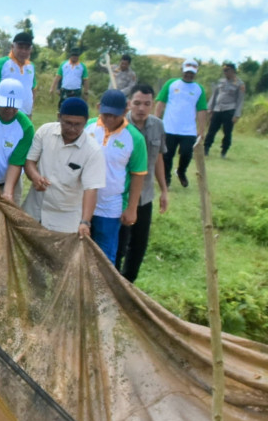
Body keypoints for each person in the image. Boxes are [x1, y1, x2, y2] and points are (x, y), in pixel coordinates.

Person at [22, 97, 106, 238]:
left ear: (86, 122)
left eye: (77, 125)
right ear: (59, 117)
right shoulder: (45, 132)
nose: (72, 129)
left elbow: (91, 189)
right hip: (34, 210)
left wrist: (85, 222)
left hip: (64, 219)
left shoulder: (93, 151)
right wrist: (35, 178)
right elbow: (30, 161)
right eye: (67, 123)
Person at [86, 90, 147, 264]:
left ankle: (103, 290)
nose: (110, 119)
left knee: (105, 255)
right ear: (98, 108)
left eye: (115, 115)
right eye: (106, 114)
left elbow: (138, 175)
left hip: (110, 205)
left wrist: (132, 208)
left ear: (125, 111)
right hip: (82, 201)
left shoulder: (135, 138)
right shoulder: (87, 127)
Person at [116, 83, 169, 282]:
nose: (141, 108)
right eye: (137, 103)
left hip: (145, 196)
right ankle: (112, 282)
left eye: (147, 104)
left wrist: (164, 190)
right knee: (120, 244)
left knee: (139, 245)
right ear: (129, 103)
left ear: (152, 104)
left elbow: (158, 159)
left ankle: (128, 284)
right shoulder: (120, 125)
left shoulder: (158, 125)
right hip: (122, 195)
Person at [154, 59, 207, 188]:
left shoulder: (199, 89)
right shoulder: (171, 84)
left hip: (188, 130)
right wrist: (155, 120)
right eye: (187, 72)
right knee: (167, 156)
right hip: (169, 127)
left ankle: (181, 171)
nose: (189, 75)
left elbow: (201, 110)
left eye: (192, 73)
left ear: (196, 73)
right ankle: (166, 180)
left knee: (186, 153)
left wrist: (201, 130)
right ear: (182, 70)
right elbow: (161, 102)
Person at [0, 32, 37, 115]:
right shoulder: (1, 63)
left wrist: (30, 111)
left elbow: (32, 90)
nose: (23, 51)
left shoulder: (31, 66)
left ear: (30, 50)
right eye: (20, 47)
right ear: (12, 47)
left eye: (27, 48)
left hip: (25, 115)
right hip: (4, 114)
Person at [205, 61, 245, 159]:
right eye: (224, 70)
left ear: (233, 71)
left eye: (227, 70)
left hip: (229, 110)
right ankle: (206, 149)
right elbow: (214, 95)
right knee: (211, 131)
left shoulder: (240, 84)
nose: (225, 72)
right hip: (217, 109)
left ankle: (224, 151)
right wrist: (210, 108)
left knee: (227, 132)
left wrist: (237, 115)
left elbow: (240, 100)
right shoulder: (221, 82)